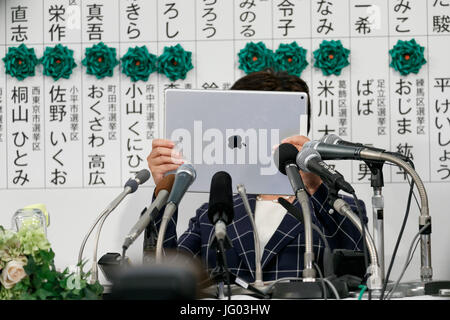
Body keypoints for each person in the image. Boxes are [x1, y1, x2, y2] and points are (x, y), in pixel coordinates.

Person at [145, 69, 367, 283]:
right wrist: (164, 193)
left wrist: (314, 186)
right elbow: (166, 276)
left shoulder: (339, 208)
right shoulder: (214, 213)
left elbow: (359, 273)